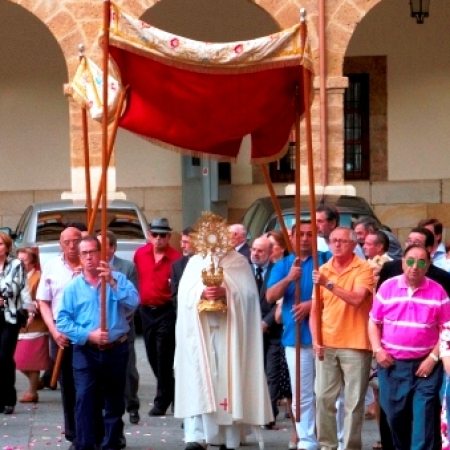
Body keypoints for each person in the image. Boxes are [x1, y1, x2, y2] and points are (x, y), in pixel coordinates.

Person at [174, 215, 273, 450]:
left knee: (227, 381)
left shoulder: (238, 262)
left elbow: (250, 298)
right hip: (201, 335)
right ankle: (197, 435)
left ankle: (228, 437)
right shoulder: (195, 262)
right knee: (200, 378)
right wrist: (201, 293)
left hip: (229, 333)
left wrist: (225, 292)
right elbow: (183, 296)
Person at [56, 235, 139, 450]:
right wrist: (87, 335)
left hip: (116, 349)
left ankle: (110, 444)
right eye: (84, 253)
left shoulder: (118, 278)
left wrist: (111, 282)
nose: (89, 257)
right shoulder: (74, 287)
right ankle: (85, 444)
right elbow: (63, 320)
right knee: (84, 398)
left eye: (93, 252)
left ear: (102, 254)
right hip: (86, 351)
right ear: (80, 257)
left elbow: (134, 301)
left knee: (114, 401)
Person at [369, 244, 450, 449]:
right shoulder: (387, 287)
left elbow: (447, 330)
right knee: (395, 418)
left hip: (426, 367)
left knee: (423, 423)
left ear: (428, 265)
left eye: (421, 262)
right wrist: (378, 350)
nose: (415, 266)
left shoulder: (438, 292)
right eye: (411, 261)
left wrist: (432, 359)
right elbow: (373, 322)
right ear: (403, 262)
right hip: (392, 366)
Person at [267, 221, 331, 450]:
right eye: (300, 234)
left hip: (325, 338)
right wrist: (288, 278)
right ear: (291, 237)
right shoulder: (284, 264)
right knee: (302, 393)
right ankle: (306, 439)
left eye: (310, 234)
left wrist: (310, 304)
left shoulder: (325, 260)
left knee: (327, 393)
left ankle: (329, 438)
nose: (305, 238)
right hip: (294, 337)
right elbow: (270, 296)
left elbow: (335, 293)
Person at [310, 226, 373, 450]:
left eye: (343, 241)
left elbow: (357, 299)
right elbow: (315, 311)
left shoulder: (363, 268)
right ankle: (327, 445)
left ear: (354, 244)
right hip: (327, 343)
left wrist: (328, 283)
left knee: (354, 402)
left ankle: (350, 447)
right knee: (323, 399)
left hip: (356, 343)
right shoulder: (324, 269)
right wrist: (316, 340)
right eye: (333, 240)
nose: (337, 244)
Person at [37, 226, 93, 449]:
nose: (72, 246)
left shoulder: (90, 266)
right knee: (68, 387)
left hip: (88, 335)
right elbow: (43, 301)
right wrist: (53, 330)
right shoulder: (51, 267)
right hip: (61, 336)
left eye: (76, 241)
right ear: (60, 244)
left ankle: (92, 432)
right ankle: (74, 434)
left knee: (89, 386)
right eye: (66, 242)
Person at [134, 217, 181, 416]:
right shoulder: (140, 254)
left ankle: (162, 400)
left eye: (163, 235)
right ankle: (174, 392)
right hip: (146, 310)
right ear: (149, 236)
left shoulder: (176, 258)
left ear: (169, 237)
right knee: (152, 354)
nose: (159, 239)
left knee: (164, 354)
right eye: (155, 235)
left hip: (166, 310)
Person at [98, 230, 140, 426]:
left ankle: (132, 404)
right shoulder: (89, 269)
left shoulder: (127, 267)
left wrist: (119, 320)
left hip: (123, 328)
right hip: (99, 332)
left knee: (128, 370)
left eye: (102, 246)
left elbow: (133, 299)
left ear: (112, 247)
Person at [0, 232, 34, 415]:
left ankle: (8, 398)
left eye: (0, 244)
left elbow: (19, 287)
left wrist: (3, 298)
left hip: (10, 316)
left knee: (4, 357)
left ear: (7, 246)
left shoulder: (16, 265)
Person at [251, 236, 280, 427]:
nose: (255, 253)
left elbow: (279, 299)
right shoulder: (244, 270)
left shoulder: (276, 270)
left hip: (273, 330)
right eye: (253, 249)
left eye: (261, 251)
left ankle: (268, 415)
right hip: (250, 330)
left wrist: (266, 322)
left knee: (272, 373)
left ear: (270, 252)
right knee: (255, 372)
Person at [14, 247, 50, 404]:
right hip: (17, 324)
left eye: (24, 260)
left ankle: (32, 390)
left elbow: (43, 301)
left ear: (33, 262)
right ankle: (34, 385)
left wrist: (32, 307)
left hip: (35, 326)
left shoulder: (38, 278)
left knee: (31, 360)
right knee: (17, 360)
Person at [171, 227, 195, 311]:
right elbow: (175, 294)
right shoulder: (177, 265)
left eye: (186, 242)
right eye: (181, 241)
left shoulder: (207, 264)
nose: (182, 246)